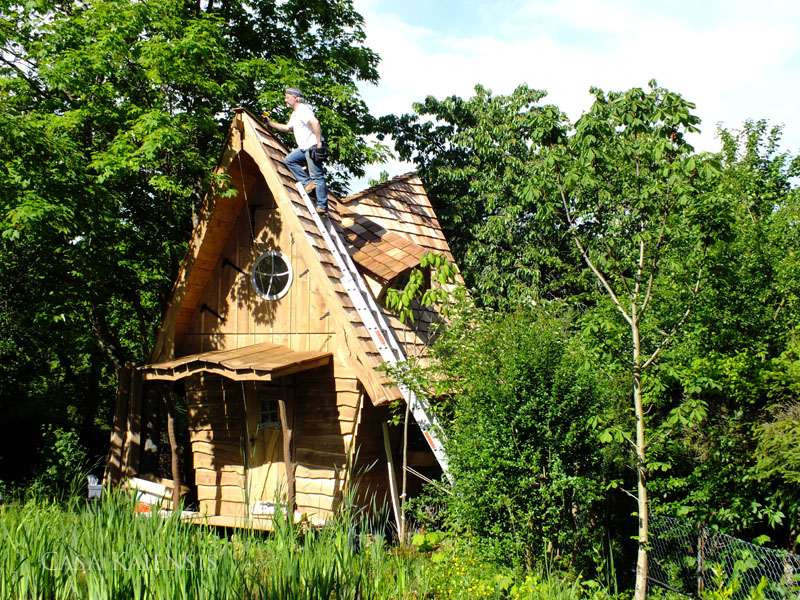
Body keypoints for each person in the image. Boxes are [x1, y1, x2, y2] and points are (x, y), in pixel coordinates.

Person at [265, 87, 328, 214]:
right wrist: (270, 123)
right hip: (304, 148)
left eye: (287, 97)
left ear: (295, 98)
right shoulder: (295, 113)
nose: (285, 100)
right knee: (290, 160)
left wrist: (319, 143)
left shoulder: (303, 109)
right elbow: (287, 128)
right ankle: (308, 183)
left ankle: (322, 206)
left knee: (317, 175)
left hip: (312, 146)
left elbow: (315, 123)